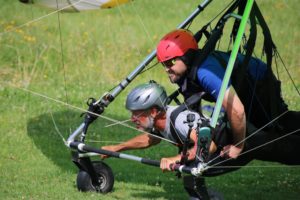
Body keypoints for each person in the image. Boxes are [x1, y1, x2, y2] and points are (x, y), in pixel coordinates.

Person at [156, 29, 300, 161]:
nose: (167, 69)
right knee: (274, 126)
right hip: (245, 87)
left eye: (170, 62)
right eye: (163, 64)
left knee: (269, 132)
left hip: (259, 83)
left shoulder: (205, 73)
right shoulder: (188, 72)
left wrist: (237, 146)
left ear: (187, 57)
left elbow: (237, 110)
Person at [101, 81, 220, 199]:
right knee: (190, 180)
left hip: (224, 150)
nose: (132, 119)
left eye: (136, 114)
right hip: (203, 153)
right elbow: (151, 139)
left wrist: (175, 159)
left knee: (191, 177)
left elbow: (209, 146)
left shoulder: (179, 120)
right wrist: (115, 148)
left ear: (153, 111)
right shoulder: (159, 122)